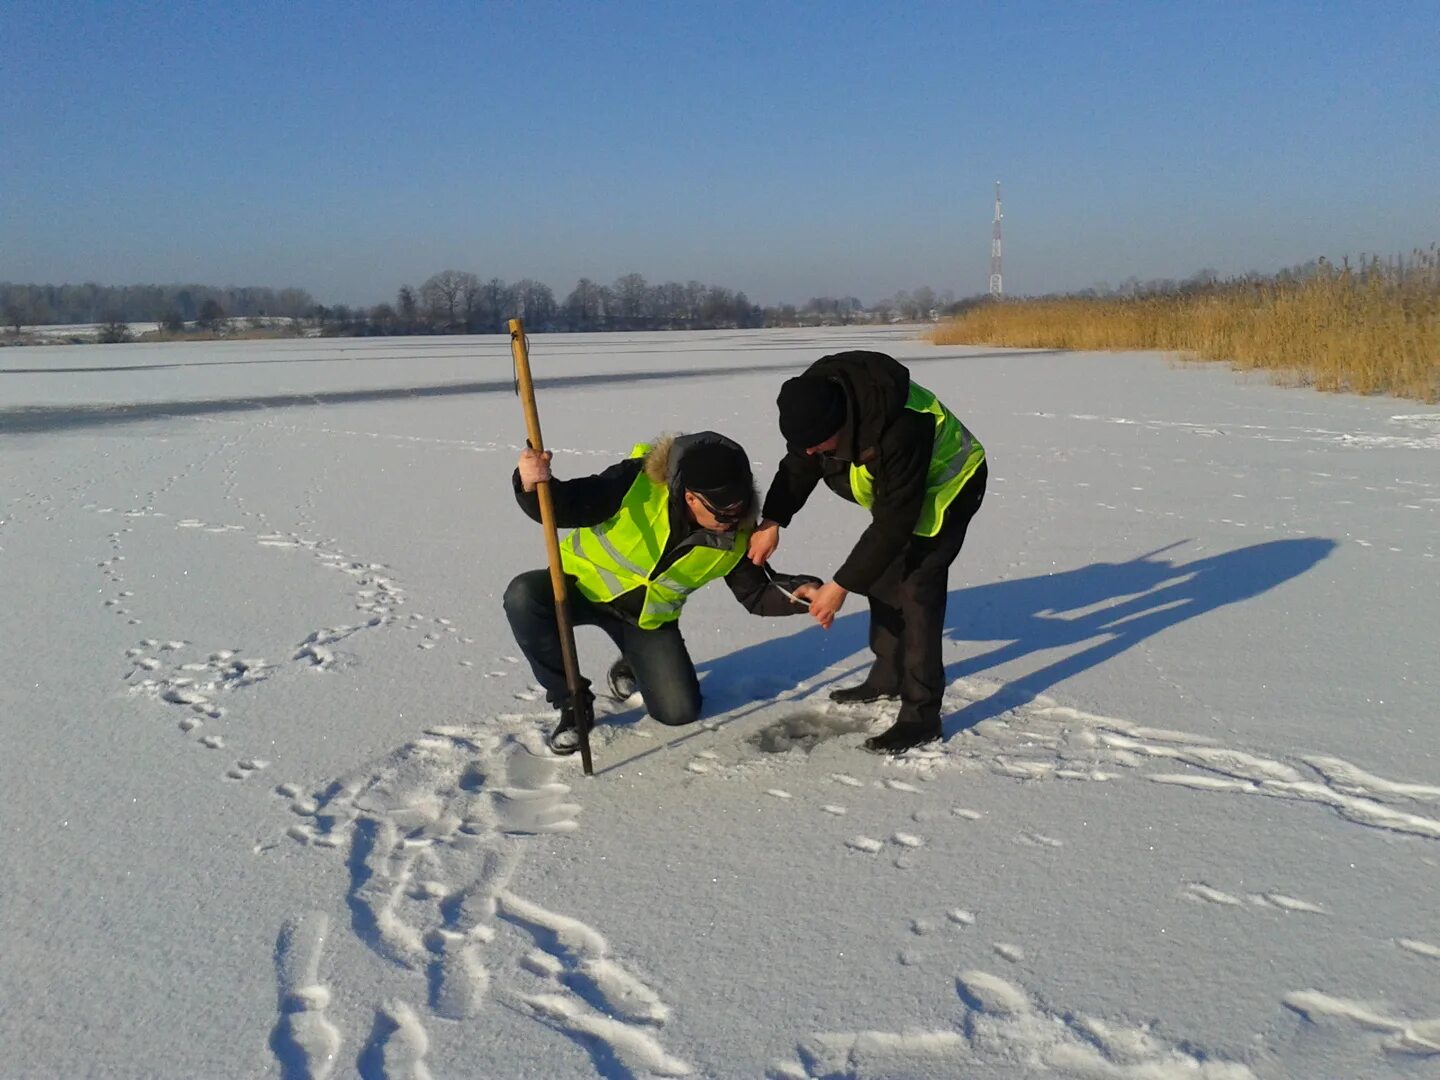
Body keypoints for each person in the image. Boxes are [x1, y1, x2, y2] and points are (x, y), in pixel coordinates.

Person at [504, 430, 822, 754]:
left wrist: (801, 594)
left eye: (740, 509)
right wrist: (531, 484)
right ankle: (573, 703)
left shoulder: (737, 536)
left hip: (646, 620)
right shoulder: (635, 483)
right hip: (580, 589)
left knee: (679, 712)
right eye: (722, 513)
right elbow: (565, 506)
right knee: (523, 597)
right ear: (690, 497)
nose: (733, 520)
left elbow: (756, 594)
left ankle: (632, 661)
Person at [748, 351, 988, 754]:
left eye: (818, 446)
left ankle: (921, 716)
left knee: (917, 588)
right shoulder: (815, 400)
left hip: (950, 484)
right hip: (897, 488)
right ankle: (887, 675)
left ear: (842, 423)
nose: (810, 453)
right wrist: (773, 519)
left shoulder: (902, 426)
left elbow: (894, 523)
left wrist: (839, 586)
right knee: (878, 573)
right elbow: (799, 464)